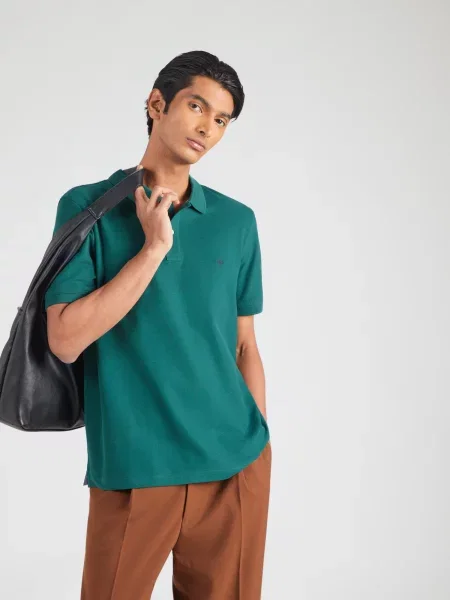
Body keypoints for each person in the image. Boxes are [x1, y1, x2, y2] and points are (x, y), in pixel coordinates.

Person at [44, 49, 271, 600]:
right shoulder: (89, 209)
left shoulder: (236, 222)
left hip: (234, 465)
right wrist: (152, 249)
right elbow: (65, 339)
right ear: (156, 104)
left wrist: (258, 444)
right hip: (135, 467)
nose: (207, 127)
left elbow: (244, 346)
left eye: (222, 119)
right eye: (197, 106)